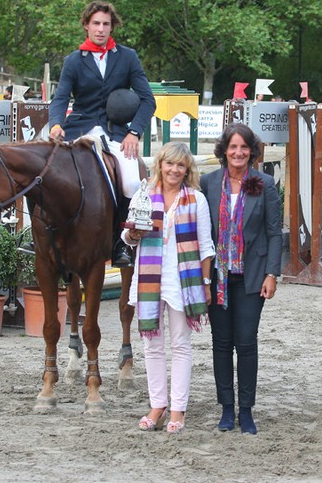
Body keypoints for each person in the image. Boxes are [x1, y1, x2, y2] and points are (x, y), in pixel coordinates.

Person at [48, 0, 156, 266]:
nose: (100, 29)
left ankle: (120, 244)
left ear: (112, 27)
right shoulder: (73, 60)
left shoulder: (127, 57)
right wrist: (55, 123)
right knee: (43, 167)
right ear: (86, 25)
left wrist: (134, 132)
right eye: (95, 23)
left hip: (117, 131)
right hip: (79, 126)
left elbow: (147, 99)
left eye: (106, 24)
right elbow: (61, 97)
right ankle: (43, 234)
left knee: (131, 181)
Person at [123, 142, 214, 434]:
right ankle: (157, 405)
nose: (174, 170)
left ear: (187, 170)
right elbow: (129, 236)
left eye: (181, 165)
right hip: (150, 277)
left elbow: (205, 247)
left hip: (182, 280)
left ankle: (178, 410)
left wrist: (206, 283)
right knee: (151, 345)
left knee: (180, 345)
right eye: (170, 164)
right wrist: (132, 233)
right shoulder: (144, 195)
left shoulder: (196, 199)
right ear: (160, 164)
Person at [200, 123, 282, 434]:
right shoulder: (208, 182)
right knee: (221, 344)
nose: (238, 153)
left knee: (246, 343)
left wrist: (272, 273)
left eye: (244, 147)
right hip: (216, 278)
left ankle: (246, 411)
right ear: (224, 150)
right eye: (233, 147)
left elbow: (274, 233)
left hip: (252, 277)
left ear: (252, 151)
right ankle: (226, 409)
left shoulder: (265, 184)